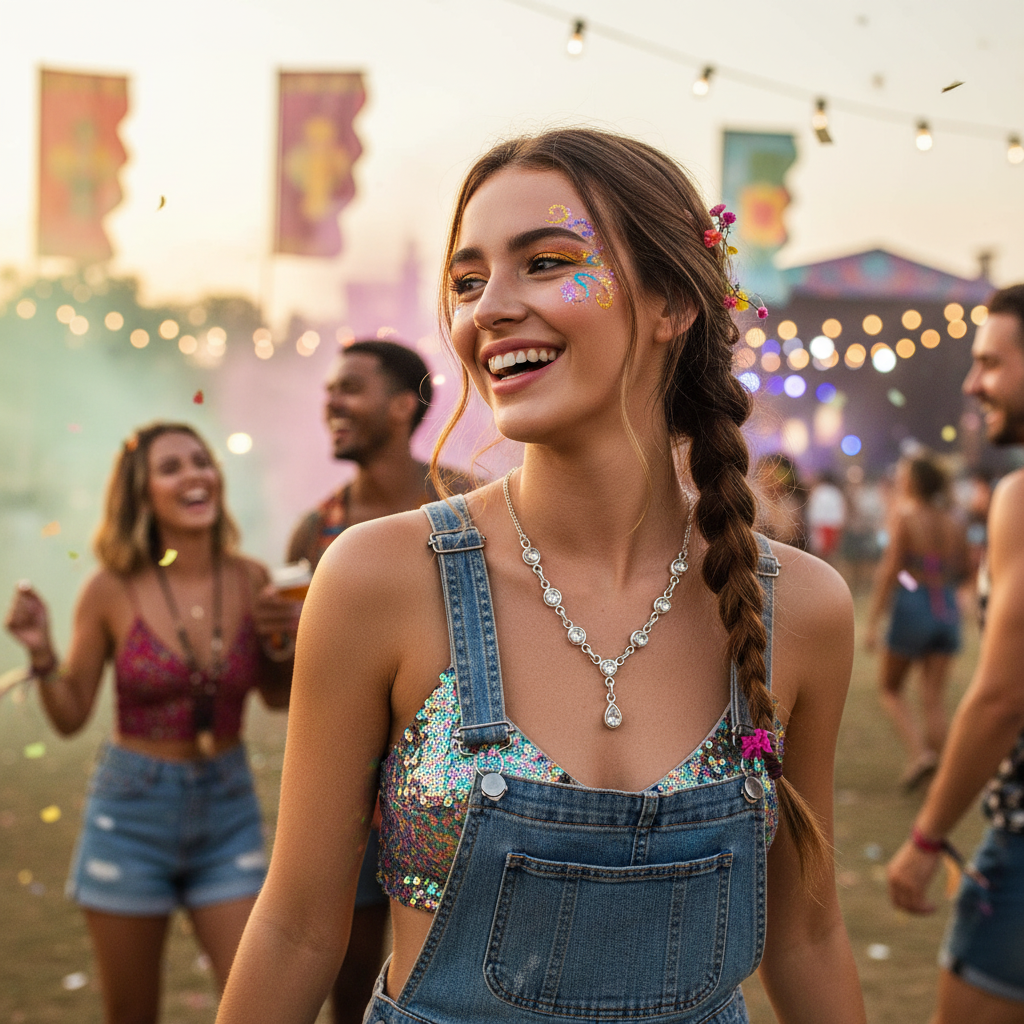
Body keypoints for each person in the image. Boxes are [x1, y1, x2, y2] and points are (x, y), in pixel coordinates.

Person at [217, 128, 865, 1024]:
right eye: (468, 281)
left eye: (547, 263)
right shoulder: (379, 577)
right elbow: (297, 929)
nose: (490, 310)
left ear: (673, 299)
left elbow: (806, 939)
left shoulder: (800, 607)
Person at [4, 422, 293, 1024]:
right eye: (171, 468)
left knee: (258, 1005)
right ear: (142, 494)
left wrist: (286, 647)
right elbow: (70, 714)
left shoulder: (250, 579)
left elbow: (273, 696)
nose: (194, 475)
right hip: (131, 814)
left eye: (200, 461)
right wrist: (40, 652)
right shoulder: (109, 590)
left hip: (228, 809)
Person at [280, 338, 470, 1022]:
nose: (331, 401)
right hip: (352, 792)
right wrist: (279, 650)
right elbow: (287, 699)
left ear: (400, 407)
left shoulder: (471, 504)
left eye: (350, 387)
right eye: (330, 388)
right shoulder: (314, 534)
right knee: (349, 981)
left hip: (463, 787)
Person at [888, 284, 1024, 1023]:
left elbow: (1005, 695)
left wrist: (926, 837)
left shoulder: (1018, 499)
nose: (973, 384)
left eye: (990, 363)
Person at [865, 454, 968, 791]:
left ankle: (921, 754)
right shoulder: (954, 520)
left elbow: (893, 570)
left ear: (914, 482)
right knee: (934, 697)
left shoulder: (905, 516)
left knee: (891, 688)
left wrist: (873, 621)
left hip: (915, 607)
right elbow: (963, 570)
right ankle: (942, 777)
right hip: (947, 607)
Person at [753, 452, 807, 549]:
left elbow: (787, 536)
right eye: (763, 475)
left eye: (773, 477)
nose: (766, 481)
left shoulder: (790, 504)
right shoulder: (755, 503)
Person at [805, 472, 846, 563]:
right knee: (830, 554)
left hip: (820, 526)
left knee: (819, 554)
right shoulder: (836, 492)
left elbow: (813, 512)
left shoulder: (818, 491)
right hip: (833, 527)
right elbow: (841, 512)